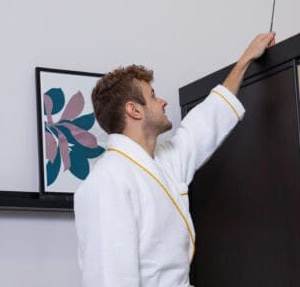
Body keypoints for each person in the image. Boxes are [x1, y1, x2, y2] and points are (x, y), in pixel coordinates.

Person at [74, 31, 276, 287]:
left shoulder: (162, 161)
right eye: (152, 95)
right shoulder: (107, 181)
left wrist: (245, 60)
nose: (163, 100)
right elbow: (109, 280)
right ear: (134, 110)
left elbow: (204, 124)